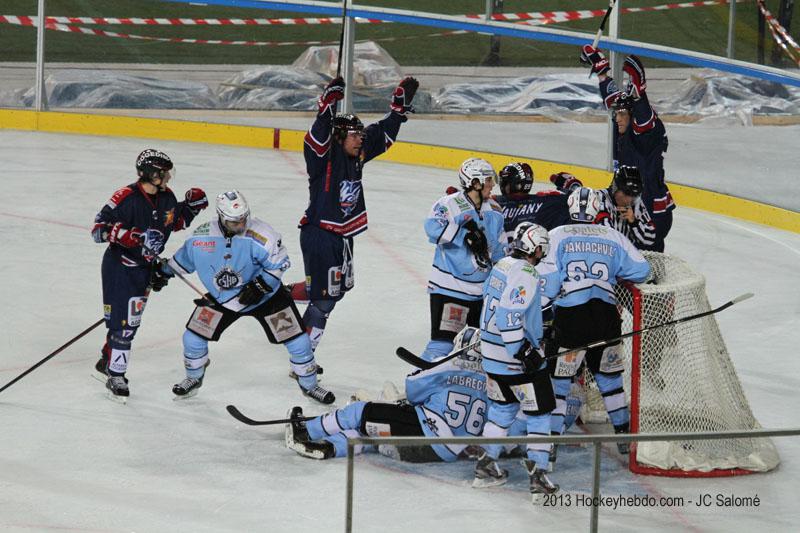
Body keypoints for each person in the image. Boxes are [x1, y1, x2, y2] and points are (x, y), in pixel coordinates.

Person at [159, 190, 334, 404]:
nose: (241, 224)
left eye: (243, 218)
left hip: (266, 298)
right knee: (192, 338)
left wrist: (261, 285)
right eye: (235, 222)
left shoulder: (262, 234)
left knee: (298, 342)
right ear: (221, 218)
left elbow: (280, 264)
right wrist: (162, 272)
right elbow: (181, 262)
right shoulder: (201, 238)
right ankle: (194, 378)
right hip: (223, 299)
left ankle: (310, 385)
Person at [291, 75, 419, 355]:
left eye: (360, 134)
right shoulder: (324, 156)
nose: (360, 139)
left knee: (338, 290)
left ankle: (283, 295)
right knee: (324, 302)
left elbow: (382, 133)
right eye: (354, 134)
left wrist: (397, 111)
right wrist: (326, 108)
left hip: (343, 236)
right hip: (321, 234)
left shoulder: (357, 153)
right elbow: (316, 139)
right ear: (338, 136)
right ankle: (302, 358)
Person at [537, 187, 651, 469]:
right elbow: (642, 271)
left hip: (570, 318)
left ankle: (550, 443)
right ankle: (625, 437)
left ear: (571, 208)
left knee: (559, 383)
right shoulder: (613, 236)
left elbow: (548, 283)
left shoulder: (557, 235)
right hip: (604, 317)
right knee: (610, 381)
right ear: (598, 209)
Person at [91, 149, 207, 400]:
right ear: (152, 174)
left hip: (145, 268)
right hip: (120, 268)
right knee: (125, 325)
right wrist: (124, 235)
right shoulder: (126, 197)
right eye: (164, 173)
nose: (168, 178)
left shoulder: (167, 197)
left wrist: (191, 207)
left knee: (130, 321)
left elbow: (173, 223)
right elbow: (98, 230)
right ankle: (116, 374)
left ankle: (106, 359)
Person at [285, 326, 487, 462]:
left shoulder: (448, 366)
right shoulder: (490, 379)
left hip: (422, 435)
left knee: (360, 411)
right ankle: (329, 447)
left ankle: (306, 429)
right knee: (371, 432)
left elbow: (413, 391)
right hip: (443, 455)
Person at [473, 222, 559, 504]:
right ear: (537, 248)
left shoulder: (502, 265)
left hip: (491, 356)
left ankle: (485, 467)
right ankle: (538, 478)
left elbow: (491, 302)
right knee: (540, 414)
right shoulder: (527, 273)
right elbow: (508, 315)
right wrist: (524, 351)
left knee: (502, 408)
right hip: (513, 359)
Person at [580, 47, 675, 252]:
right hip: (633, 206)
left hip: (652, 210)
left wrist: (640, 93)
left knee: (647, 259)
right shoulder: (625, 121)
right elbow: (614, 98)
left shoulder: (647, 133)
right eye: (617, 114)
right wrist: (601, 69)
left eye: (623, 114)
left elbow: (644, 119)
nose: (617, 118)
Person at [419, 157, 505, 362]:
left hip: (483, 293)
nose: (492, 184)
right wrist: (463, 236)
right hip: (451, 290)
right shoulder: (449, 204)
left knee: (483, 347)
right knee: (442, 345)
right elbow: (432, 227)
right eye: (487, 180)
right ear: (474, 182)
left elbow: (501, 249)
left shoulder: (494, 209)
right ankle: (420, 382)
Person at [493, 162, 580, 244]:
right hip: (535, 256)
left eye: (505, 181)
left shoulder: (493, 202)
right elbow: (580, 199)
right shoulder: (547, 200)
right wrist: (571, 184)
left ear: (512, 184)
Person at [596, 165, 656, 249]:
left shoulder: (636, 203)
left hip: (624, 258)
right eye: (626, 194)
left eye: (633, 195)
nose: (629, 200)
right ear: (615, 187)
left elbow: (651, 237)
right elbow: (605, 236)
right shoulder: (599, 198)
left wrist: (634, 222)